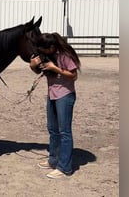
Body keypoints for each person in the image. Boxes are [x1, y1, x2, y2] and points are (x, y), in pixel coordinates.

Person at [30, 32, 81, 179]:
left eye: (44, 49)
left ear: (52, 47)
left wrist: (55, 68)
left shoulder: (65, 54)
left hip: (65, 95)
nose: (42, 52)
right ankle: (53, 160)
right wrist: (33, 66)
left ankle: (65, 167)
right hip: (52, 94)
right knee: (52, 129)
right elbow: (39, 70)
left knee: (64, 131)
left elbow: (74, 75)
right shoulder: (48, 54)